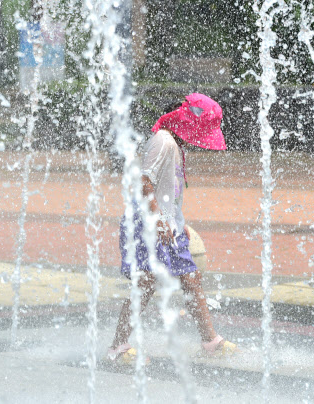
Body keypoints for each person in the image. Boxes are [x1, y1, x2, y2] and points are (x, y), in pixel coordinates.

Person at [108, 93, 236, 364]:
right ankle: (117, 346)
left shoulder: (175, 145)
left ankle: (210, 341)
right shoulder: (162, 141)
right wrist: (158, 220)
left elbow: (170, 195)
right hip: (147, 223)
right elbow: (144, 183)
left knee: (190, 279)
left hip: (169, 227)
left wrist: (179, 225)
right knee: (145, 284)